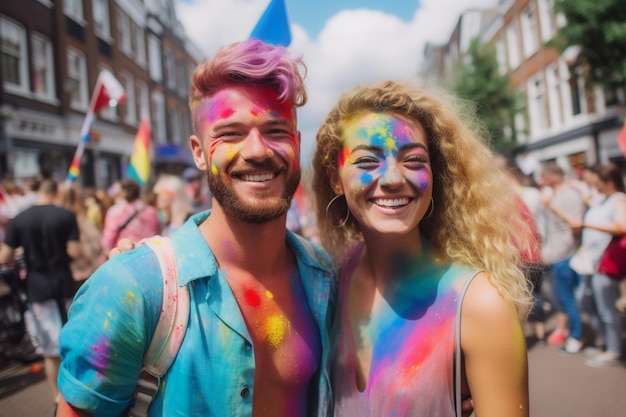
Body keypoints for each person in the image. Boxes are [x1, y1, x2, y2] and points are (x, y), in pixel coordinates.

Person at [56, 39, 335, 417]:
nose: (256, 150)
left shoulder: (326, 278)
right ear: (199, 152)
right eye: (231, 133)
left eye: (275, 130)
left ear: (297, 144)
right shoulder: (133, 290)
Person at [312, 80, 532, 416]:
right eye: (368, 161)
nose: (393, 178)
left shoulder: (480, 304)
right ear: (335, 178)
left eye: (413, 160)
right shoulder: (330, 279)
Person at [0, 179, 81, 409]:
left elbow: (4, 257)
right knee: (73, 340)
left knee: (50, 349)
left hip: (38, 286)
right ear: (55, 192)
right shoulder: (65, 215)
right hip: (64, 283)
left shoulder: (20, 219)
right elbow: (74, 251)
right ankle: (77, 391)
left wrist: (22, 251)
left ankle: (57, 396)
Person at [561, 163, 626, 367]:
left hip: (604, 264)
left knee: (607, 309)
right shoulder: (604, 199)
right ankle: (607, 344)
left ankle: (613, 351)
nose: (594, 186)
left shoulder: (618, 200)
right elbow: (589, 198)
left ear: (609, 182)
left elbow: (622, 226)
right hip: (592, 264)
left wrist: (585, 224)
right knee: (586, 302)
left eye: (597, 183)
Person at [539, 162, 587, 353]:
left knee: (568, 299)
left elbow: (575, 226)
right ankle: (573, 334)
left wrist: (564, 252)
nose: (540, 182)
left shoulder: (569, 195)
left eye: (543, 177)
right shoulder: (557, 194)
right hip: (559, 254)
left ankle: (577, 338)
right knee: (565, 298)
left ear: (551, 177)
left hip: (565, 255)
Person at [99, 178, 161, 256]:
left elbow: (109, 235)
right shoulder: (150, 210)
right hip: (149, 253)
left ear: (123, 192)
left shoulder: (116, 211)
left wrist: (106, 252)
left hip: (125, 254)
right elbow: (157, 232)